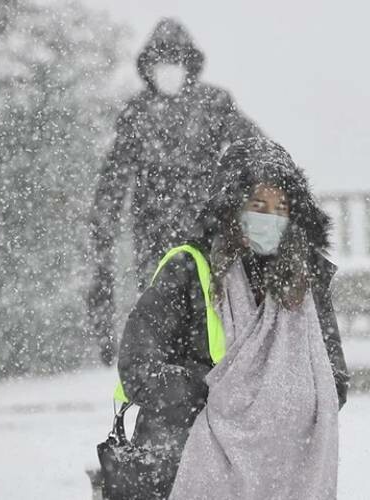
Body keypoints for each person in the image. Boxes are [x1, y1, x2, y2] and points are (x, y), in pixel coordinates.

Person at [117, 137, 348, 499]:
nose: (268, 218)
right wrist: (210, 398)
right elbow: (138, 365)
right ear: (231, 208)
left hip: (280, 466)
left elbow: (333, 380)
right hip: (190, 453)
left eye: (279, 207)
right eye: (258, 205)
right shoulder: (189, 270)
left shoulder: (305, 283)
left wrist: (276, 404)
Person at [89, 18, 261, 365]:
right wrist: (103, 221)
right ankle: (172, 383)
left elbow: (252, 147)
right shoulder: (137, 113)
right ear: (149, 69)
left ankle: (212, 377)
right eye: (160, 64)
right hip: (153, 235)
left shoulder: (213, 103)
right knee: (163, 315)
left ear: (188, 65)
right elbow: (114, 178)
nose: (168, 71)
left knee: (209, 313)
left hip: (207, 230)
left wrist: (255, 192)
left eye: (174, 63)